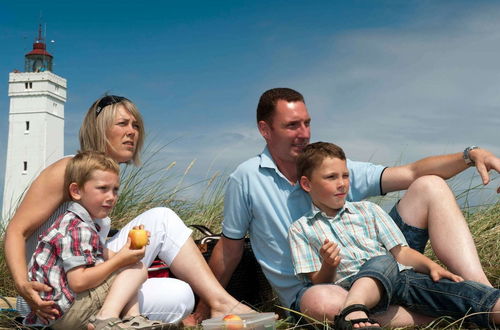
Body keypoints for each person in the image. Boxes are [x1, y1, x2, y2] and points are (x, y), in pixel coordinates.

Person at [201, 87, 500, 326]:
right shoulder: (246, 178)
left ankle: (481, 291)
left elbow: (411, 173)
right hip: (320, 286)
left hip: (379, 262)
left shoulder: (333, 169)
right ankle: (455, 314)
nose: (304, 133)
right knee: (323, 302)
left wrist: (469, 155)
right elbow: (230, 249)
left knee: (430, 185)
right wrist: (204, 308)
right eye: (292, 125)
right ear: (265, 130)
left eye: (307, 123)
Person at [4, 95, 253, 325]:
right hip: (49, 299)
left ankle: (116, 320)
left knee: (181, 296)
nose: (132, 132)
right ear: (99, 129)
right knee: (162, 218)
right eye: (122, 124)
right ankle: (221, 302)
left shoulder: (103, 183)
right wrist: (23, 285)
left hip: (80, 289)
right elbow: (16, 230)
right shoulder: (68, 168)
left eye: (135, 125)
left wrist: (124, 256)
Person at [288, 142, 500, 329]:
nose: (342, 183)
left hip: (399, 278)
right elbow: (317, 282)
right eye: (331, 177)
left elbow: (401, 252)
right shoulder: (301, 229)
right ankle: (355, 308)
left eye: (345, 175)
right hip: (349, 287)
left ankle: (355, 313)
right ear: (307, 184)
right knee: (379, 261)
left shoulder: (368, 210)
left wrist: (431, 267)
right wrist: (329, 265)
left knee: (461, 293)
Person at [25, 150, 173, 329]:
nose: (111, 197)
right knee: (138, 269)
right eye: (103, 188)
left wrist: (129, 249)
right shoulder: (78, 229)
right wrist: (121, 260)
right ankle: (106, 319)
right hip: (65, 313)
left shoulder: (77, 223)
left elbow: (107, 256)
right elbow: (78, 282)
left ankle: (132, 320)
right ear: (76, 191)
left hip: (55, 313)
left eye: (115, 190)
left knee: (130, 266)